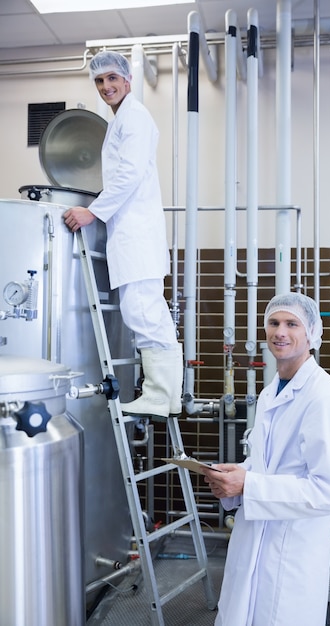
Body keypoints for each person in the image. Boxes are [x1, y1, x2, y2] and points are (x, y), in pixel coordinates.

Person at [202, 293, 330, 626]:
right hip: (254, 538)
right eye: (273, 323)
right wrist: (237, 477)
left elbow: (328, 492)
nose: (279, 332)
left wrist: (250, 484)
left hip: (291, 552)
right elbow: (268, 464)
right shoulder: (274, 390)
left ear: (311, 333)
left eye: (291, 324)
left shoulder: (326, 398)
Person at [63, 51, 182, 420]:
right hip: (130, 235)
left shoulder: (135, 117)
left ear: (128, 80)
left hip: (138, 235)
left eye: (112, 79)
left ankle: (162, 394)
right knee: (140, 311)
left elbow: (128, 175)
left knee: (143, 312)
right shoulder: (122, 119)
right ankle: (159, 393)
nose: (106, 87)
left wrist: (92, 211)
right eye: (99, 81)